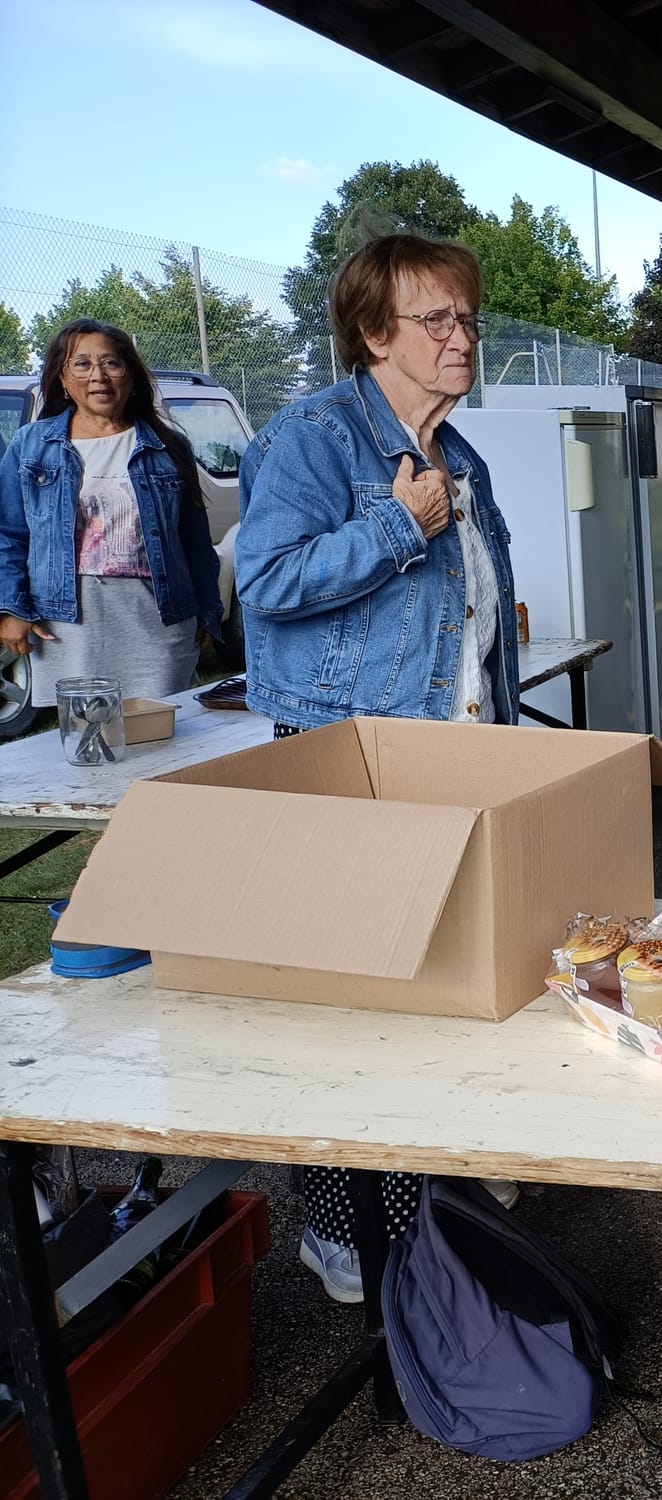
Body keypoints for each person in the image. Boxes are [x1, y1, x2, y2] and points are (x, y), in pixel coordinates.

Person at [236, 234, 521, 1303]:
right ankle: (345, 1230)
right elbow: (264, 581)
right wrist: (397, 525)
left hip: (453, 755)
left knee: (438, 989)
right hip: (351, 761)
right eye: (435, 322)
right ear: (371, 333)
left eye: (467, 319)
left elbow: (478, 620)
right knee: (346, 1008)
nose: (461, 339)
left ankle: (432, 1189)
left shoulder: (462, 451)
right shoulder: (313, 437)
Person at [0, 320, 222, 706]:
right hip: (67, 622)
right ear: (62, 379)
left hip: (157, 618)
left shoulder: (168, 446)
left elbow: (194, 540)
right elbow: (9, 533)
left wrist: (207, 610)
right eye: (81, 364)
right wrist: (11, 608)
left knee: (160, 734)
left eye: (111, 363)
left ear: (130, 376)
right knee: (86, 737)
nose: (98, 376)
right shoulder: (31, 445)